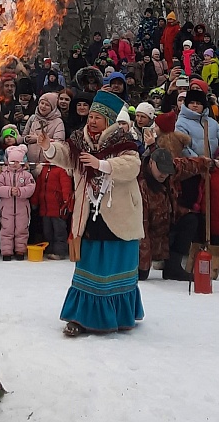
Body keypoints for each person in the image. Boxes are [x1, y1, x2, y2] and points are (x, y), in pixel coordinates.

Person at [41, 91, 145, 336]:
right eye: (91, 116)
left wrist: (102, 165)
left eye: (98, 117)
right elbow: (66, 157)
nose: (92, 121)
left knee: (115, 264)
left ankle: (118, 314)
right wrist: (48, 147)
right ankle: (81, 317)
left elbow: (133, 166)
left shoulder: (124, 139)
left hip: (118, 213)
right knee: (89, 266)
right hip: (88, 212)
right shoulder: (79, 140)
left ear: (108, 120)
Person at [0, 144, 35, 261]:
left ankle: (20, 250)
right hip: (6, 206)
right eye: (12, 161)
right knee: (6, 229)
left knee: (21, 229)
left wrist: (21, 191)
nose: (15, 164)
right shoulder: (2, 174)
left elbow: (31, 187)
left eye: (17, 161)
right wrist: (9, 190)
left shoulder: (27, 175)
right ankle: (6, 252)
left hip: (22, 207)